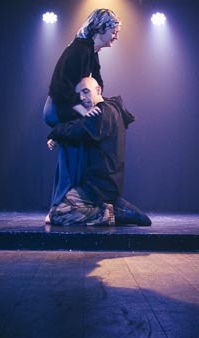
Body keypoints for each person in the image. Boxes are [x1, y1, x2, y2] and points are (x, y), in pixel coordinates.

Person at [43, 9, 121, 215]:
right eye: (114, 30)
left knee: (77, 157)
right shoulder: (78, 50)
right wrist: (81, 112)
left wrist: (99, 103)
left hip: (72, 109)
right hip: (59, 108)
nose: (116, 35)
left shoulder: (92, 53)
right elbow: (60, 87)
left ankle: (68, 205)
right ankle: (56, 209)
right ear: (101, 28)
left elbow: (98, 83)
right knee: (70, 160)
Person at [45, 76, 151, 226]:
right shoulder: (111, 109)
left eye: (86, 91)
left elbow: (79, 129)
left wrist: (55, 133)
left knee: (57, 214)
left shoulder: (104, 111)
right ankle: (115, 208)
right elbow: (81, 123)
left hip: (98, 189)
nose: (82, 98)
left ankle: (114, 214)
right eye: (79, 94)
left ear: (98, 90)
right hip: (104, 186)